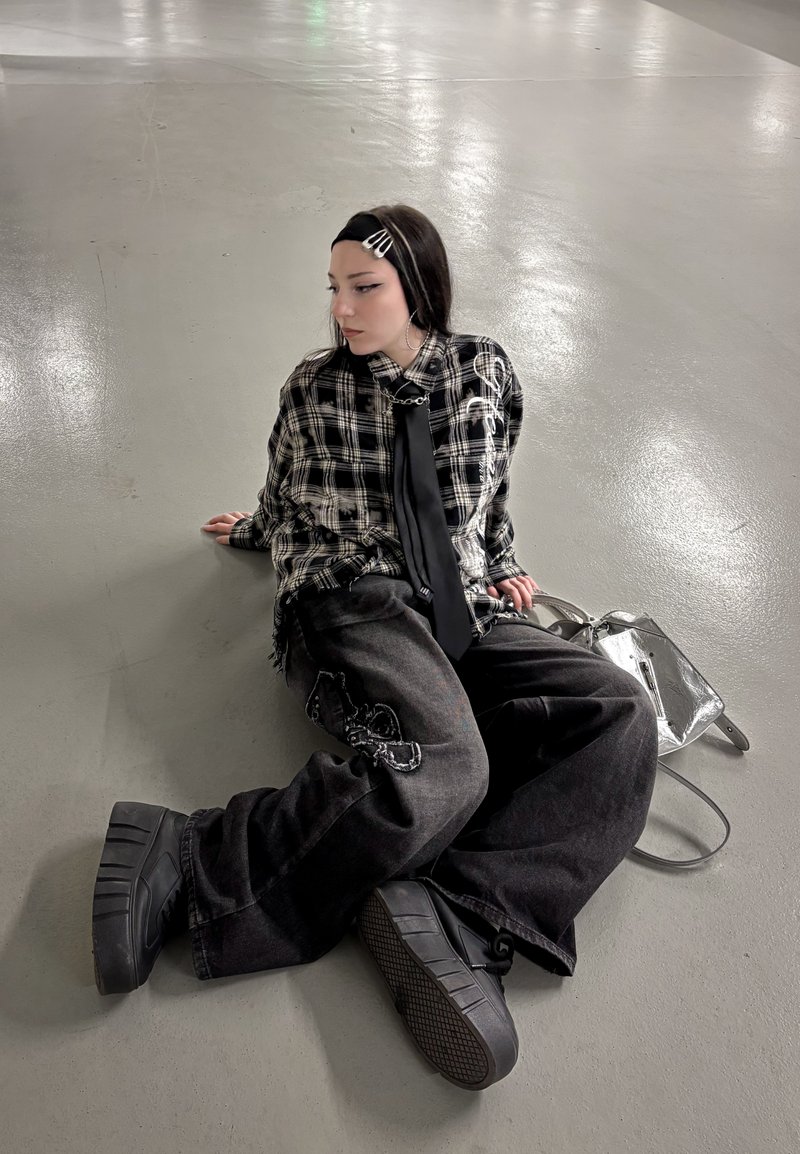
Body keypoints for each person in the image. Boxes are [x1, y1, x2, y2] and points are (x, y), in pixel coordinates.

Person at [91, 205, 658, 1091]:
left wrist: (501, 564)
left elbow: (486, 491)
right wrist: (253, 530)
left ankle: (466, 912)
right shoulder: (316, 387)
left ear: (419, 289)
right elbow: (282, 490)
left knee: (620, 714)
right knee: (445, 763)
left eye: (366, 288)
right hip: (352, 598)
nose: (343, 310)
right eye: (334, 289)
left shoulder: (485, 372)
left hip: (459, 601)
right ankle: (186, 860)